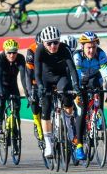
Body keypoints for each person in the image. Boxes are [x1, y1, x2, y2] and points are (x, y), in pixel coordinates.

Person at [34, 26, 80, 160]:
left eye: (56, 42)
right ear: (43, 43)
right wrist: (41, 86)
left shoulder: (64, 49)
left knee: (66, 93)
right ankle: (48, 143)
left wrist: (76, 85)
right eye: (49, 43)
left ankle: (69, 126)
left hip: (61, 77)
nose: (53, 46)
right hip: (45, 79)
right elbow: (37, 72)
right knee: (46, 108)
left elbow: (72, 69)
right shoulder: (40, 50)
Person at [73, 32, 107, 155]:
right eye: (88, 47)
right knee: (82, 109)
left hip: (95, 78)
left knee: (99, 88)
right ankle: (79, 145)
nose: (91, 50)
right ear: (82, 47)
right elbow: (77, 74)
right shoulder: (77, 55)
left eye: (94, 47)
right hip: (80, 79)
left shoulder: (100, 53)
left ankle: (98, 115)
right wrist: (79, 90)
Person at [0, 39, 29, 152]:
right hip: (0, 83)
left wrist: (27, 92)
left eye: (14, 52)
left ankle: (15, 140)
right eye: (9, 52)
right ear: (5, 51)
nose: (12, 55)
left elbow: (23, 77)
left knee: (16, 110)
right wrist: (0, 92)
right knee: (2, 101)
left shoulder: (20, 58)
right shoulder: (0, 58)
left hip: (12, 85)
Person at [25, 32, 44, 141]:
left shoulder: (51, 48)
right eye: (38, 45)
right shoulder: (31, 50)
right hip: (34, 79)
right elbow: (28, 73)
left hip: (46, 79)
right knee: (34, 101)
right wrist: (29, 91)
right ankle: (37, 122)